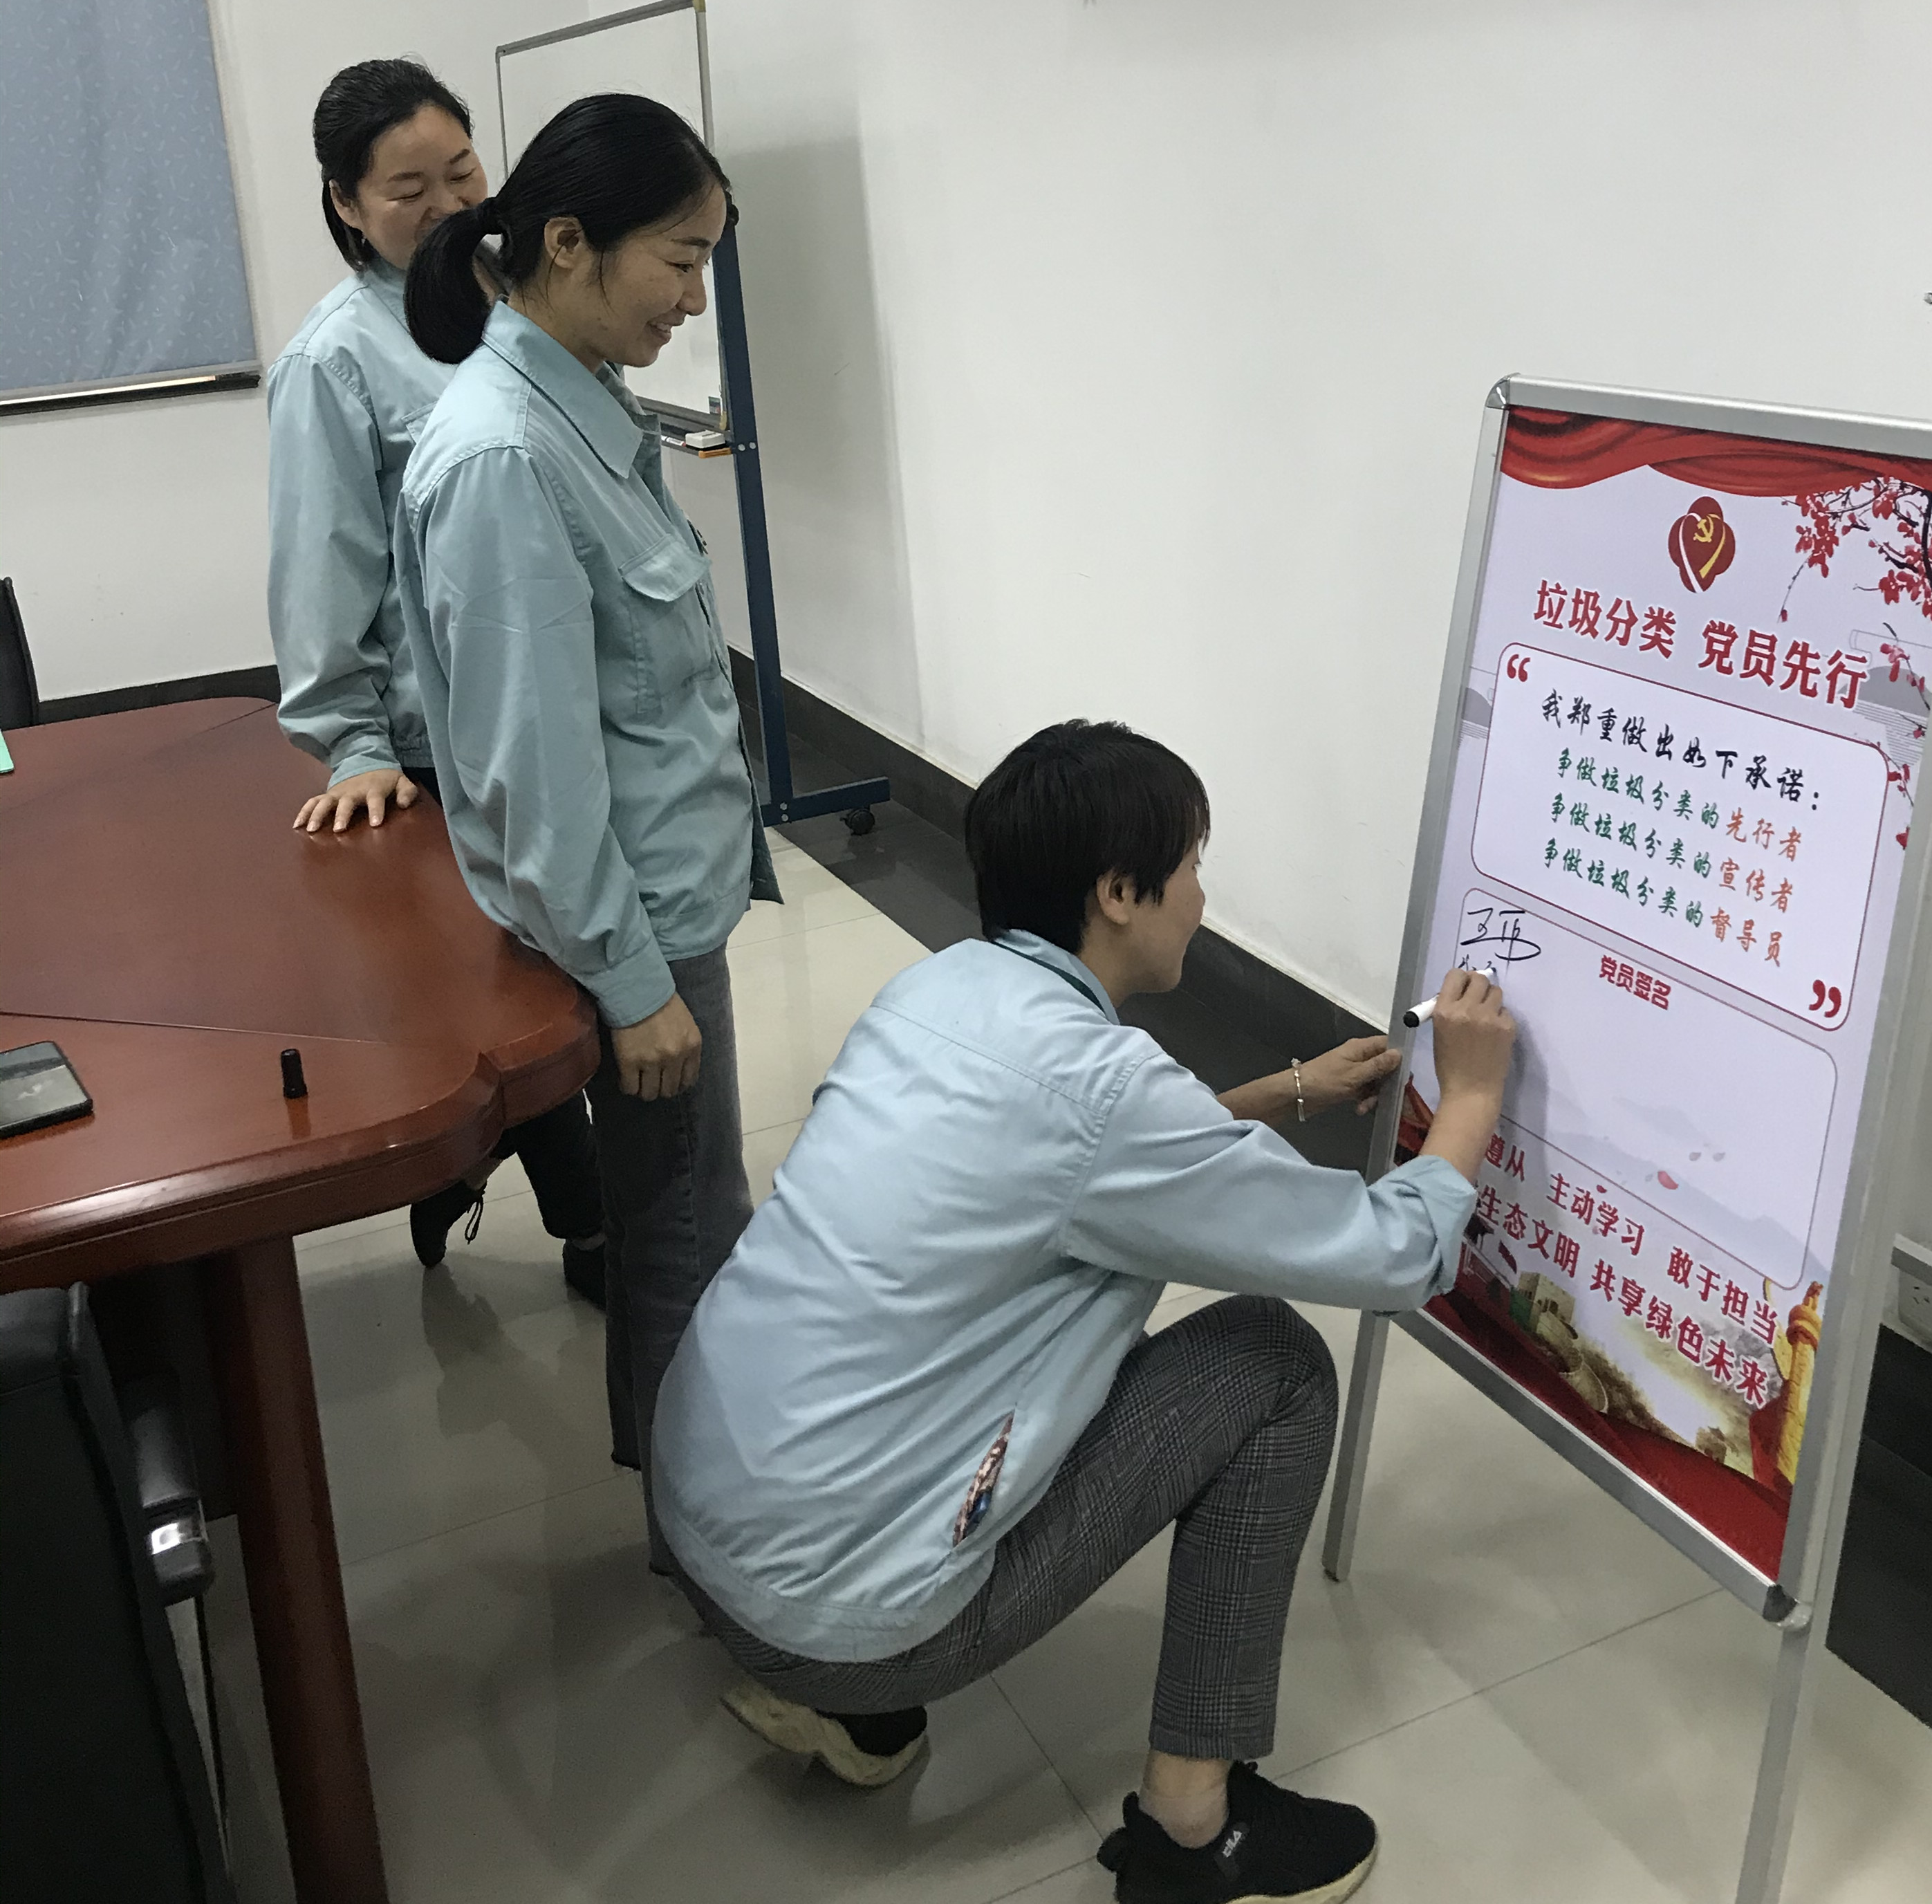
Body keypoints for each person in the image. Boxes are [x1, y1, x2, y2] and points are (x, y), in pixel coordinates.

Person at [653, 721, 1517, 1904]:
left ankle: (856, 1714)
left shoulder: (937, 989)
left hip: (708, 1532)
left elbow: (1072, 1160)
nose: (1202, 897)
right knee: (1273, 1362)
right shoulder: (1106, 1090)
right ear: (1119, 891)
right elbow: (1400, 1251)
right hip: (828, 1617)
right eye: (1193, 865)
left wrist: (1291, 1090)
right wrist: (1470, 1098)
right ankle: (1193, 1826)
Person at [395, 95, 780, 1566]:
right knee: (680, 1235)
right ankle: (710, 1547)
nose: (693, 299)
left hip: (663, 904)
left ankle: (692, 1497)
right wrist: (630, 985)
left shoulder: (578, 401)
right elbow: (535, 774)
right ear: (568, 243)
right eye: (679, 262)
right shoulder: (506, 456)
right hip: (636, 935)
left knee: (690, 1214)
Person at [266, 58, 608, 1313]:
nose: (449, 202)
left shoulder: (527, 291)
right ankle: (594, 1230)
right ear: (347, 207)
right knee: (520, 995)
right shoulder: (336, 359)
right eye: (407, 188)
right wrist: (354, 746)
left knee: (577, 971)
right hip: (442, 746)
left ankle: (488, 1170)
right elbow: (320, 579)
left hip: (570, 703)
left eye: (463, 170)